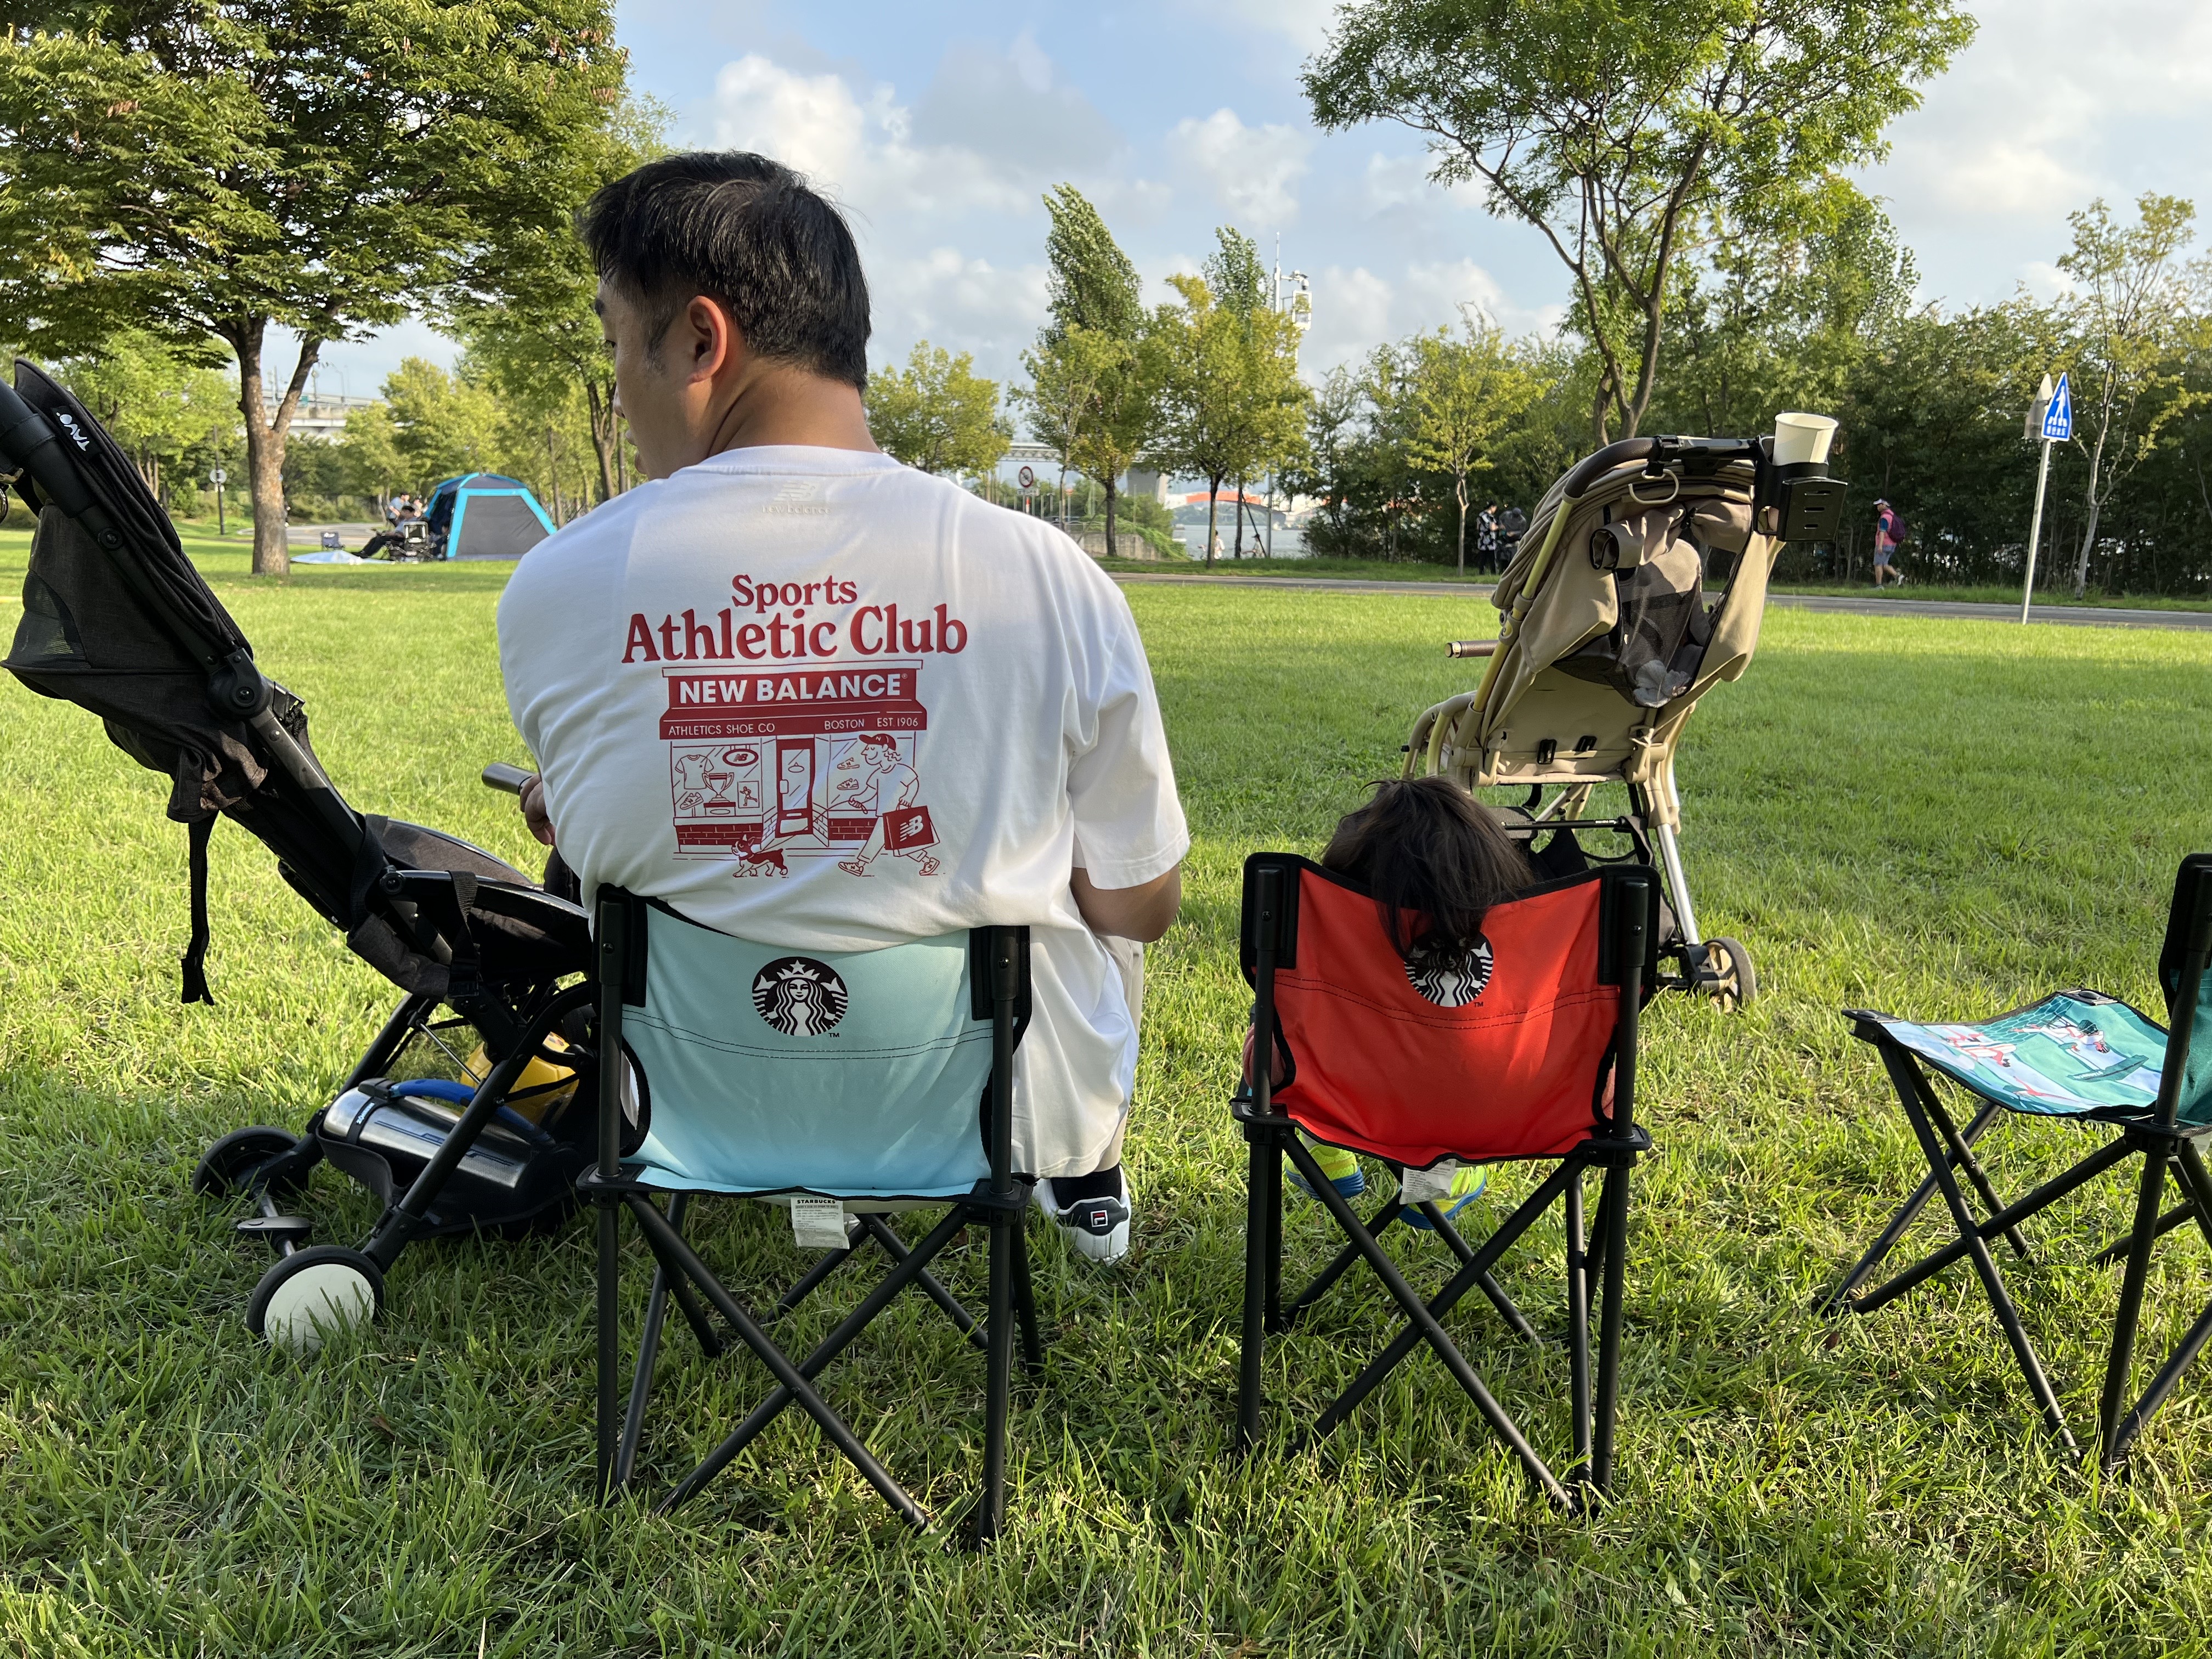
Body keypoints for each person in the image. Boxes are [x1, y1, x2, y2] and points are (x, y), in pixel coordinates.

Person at [499, 152, 1187, 1263]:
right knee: (1100, 866)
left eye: (618, 340)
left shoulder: (557, 586)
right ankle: (1084, 1180)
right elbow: (1141, 907)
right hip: (994, 1113)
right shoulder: (1046, 575)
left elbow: (603, 852)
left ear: (701, 341)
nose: (618, 388)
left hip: (683, 1106)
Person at [1244, 776, 1533, 1225]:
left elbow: (1267, 1066)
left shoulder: (1331, 940)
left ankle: (1324, 1156)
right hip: (1497, 1107)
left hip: (1337, 1101)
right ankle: (1437, 1184)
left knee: (1277, 1026)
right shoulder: (1531, 951)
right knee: (1448, 1075)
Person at [1873, 498, 1904, 586]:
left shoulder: (1884, 518)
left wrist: (1880, 546)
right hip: (1892, 544)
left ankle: (1879, 585)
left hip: (1884, 544)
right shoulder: (1892, 516)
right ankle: (1898, 577)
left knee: (1878, 564)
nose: (1878, 507)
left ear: (1884, 505)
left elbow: (1882, 532)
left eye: (1879, 505)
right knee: (1885, 564)